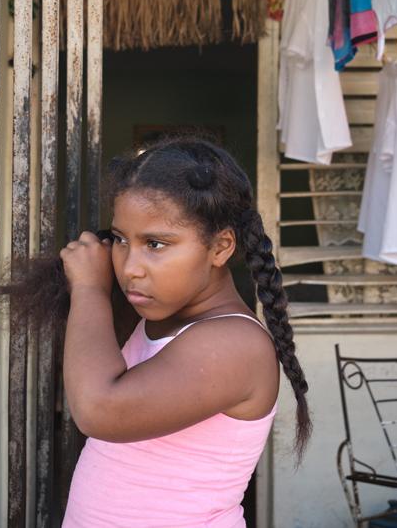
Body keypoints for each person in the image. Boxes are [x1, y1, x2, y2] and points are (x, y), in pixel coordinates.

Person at [58, 137, 311, 527]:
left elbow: (98, 409)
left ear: (221, 246)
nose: (130, 268)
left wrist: (89, 289)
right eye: (122, 240)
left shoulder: (234, 344)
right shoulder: (164, 319)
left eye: (156, 244)